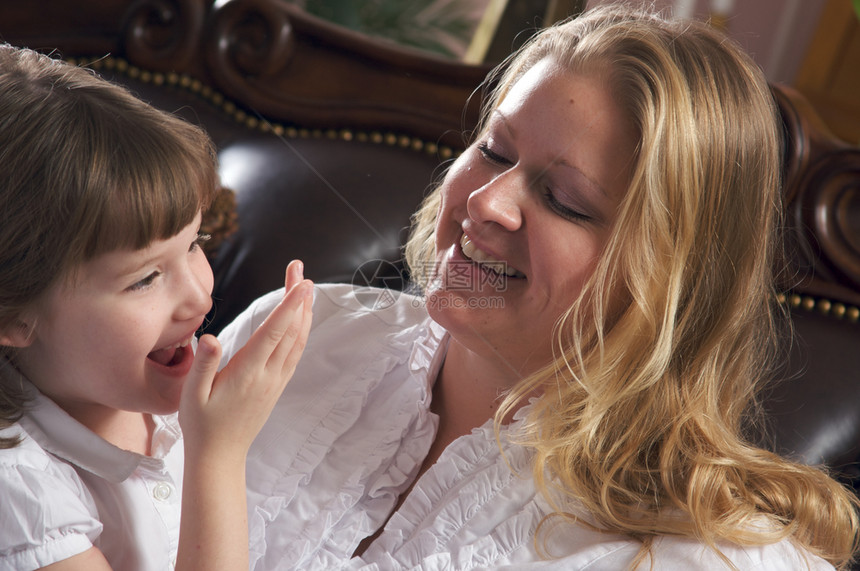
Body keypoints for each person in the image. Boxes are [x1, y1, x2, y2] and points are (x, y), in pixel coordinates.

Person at [217, 4, 860, 570]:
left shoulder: (712, 559)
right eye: (495, 151)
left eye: (566, 201)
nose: (488, 202)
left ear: (669, 283)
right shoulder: (298, 338)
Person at [0, 45, 314, 570]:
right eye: (145, 278)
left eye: (196, 243)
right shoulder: (17, 487)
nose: (200, 297)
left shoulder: (150, 393)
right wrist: (218, 454)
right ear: (13, 316)